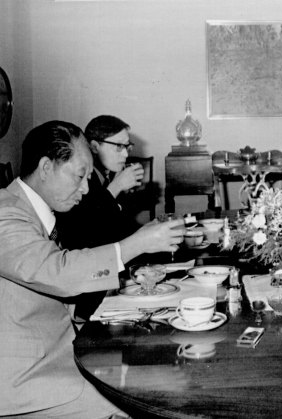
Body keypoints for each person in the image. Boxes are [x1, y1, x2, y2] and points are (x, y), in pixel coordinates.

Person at [0, 120, 185, 418]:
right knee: (157, 396)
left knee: (160, 363)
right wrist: (136, 244)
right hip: (27, 377)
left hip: (63, 350)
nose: (86, 189)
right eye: (80, 176)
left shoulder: (35, 210)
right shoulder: (4, 213)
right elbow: (54, 271)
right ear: (46, 167)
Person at [56, 115, 144, 321]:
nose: (125, 154)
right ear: (94, 146)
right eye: (118, 147)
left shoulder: (103, 176)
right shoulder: (85, 179)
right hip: (86, 288)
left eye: (127, 147)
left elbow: (115, 227)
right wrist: (116, 187)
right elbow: (87, 231)